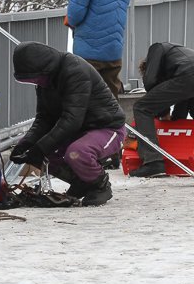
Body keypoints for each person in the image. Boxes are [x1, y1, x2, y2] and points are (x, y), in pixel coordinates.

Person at [9, 41, 126, 206]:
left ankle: (99, 184)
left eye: (35, 78)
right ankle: (81, 181)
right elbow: (44, 118)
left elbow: (72, 119)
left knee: (77, 152)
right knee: (40, 152)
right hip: (77, 131)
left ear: (45, 68)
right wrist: (26, 144)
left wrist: (40, 148)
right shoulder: (45, 81)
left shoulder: (75, 71)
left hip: (106, 127)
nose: (35, 82)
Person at [129, 42, 194, 178]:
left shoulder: (157, 48)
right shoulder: (180, 57)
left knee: (142, 107)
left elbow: (151, 81)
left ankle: (153, 162)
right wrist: (171, 119)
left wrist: (163, 112)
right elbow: (180, 114)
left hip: (191, 76)